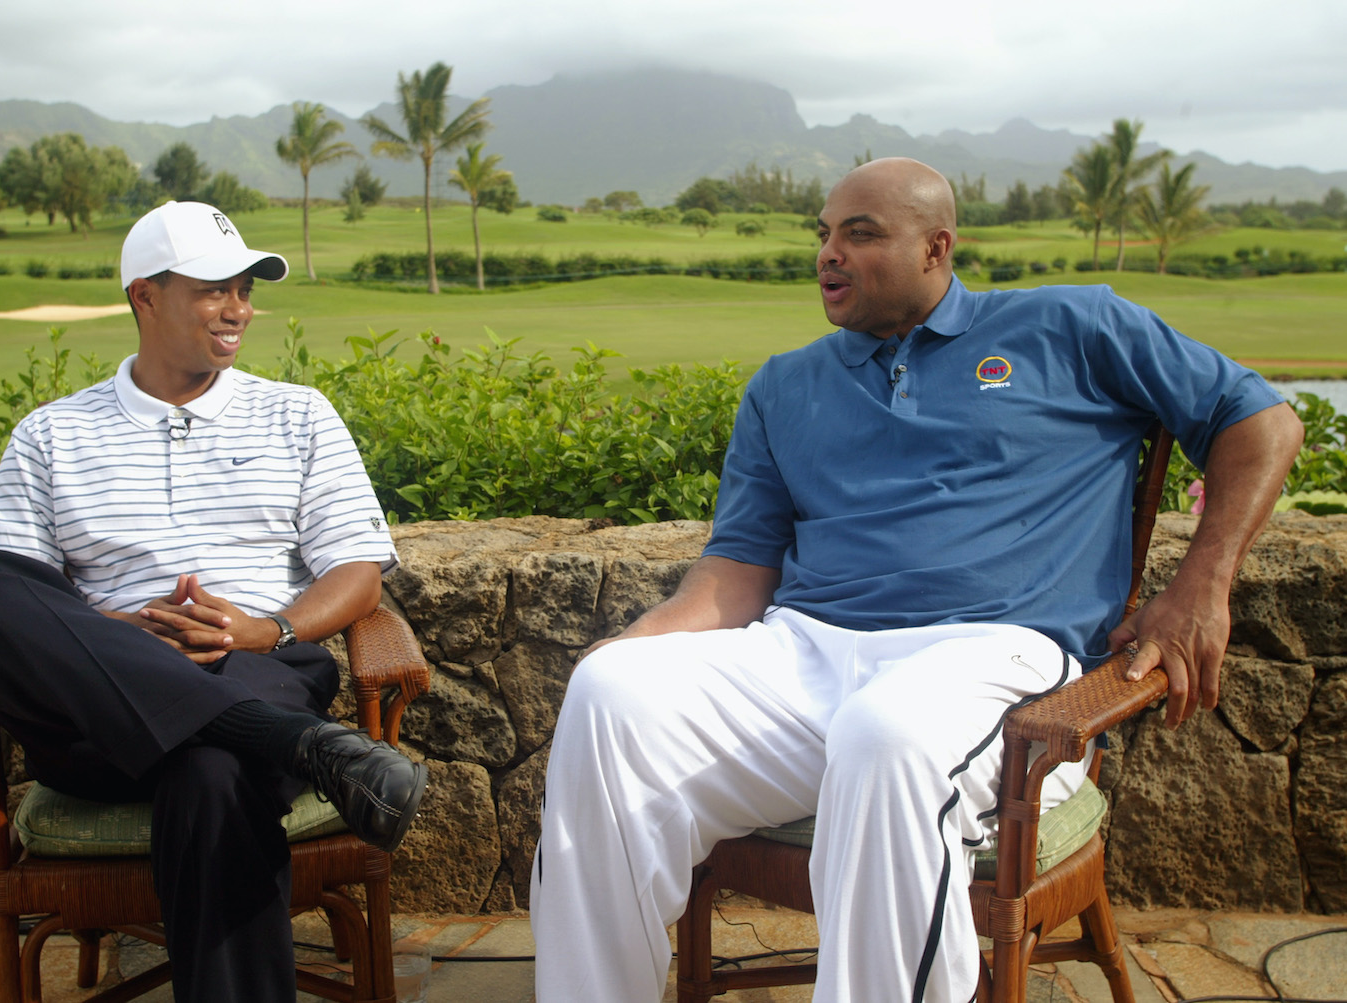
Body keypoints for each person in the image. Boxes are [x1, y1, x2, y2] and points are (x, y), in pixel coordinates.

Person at [529, 158, 1304, 1002]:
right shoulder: (785, 386)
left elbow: (1260, 418)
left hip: (998, 659)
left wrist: (1201, 585)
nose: (830, 253)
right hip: (805, 656)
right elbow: (733, 580)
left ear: (938, 247)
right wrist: (630, 646)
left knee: (886, 732)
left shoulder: (1073, 325)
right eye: (824, 234)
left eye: (860, 234)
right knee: (608, 691)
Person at [0, 200, 428, 1003]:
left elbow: (358, 571)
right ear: (144, 296)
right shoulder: (53, 434)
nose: (239, 309)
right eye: (213, 289)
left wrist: (265, 627)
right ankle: (301, 744)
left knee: (208, 770)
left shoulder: (299, 416)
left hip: (256, 666)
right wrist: (122, 635)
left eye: (244, 289)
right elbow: (12, 600)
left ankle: (259, 729)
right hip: (93, 711)